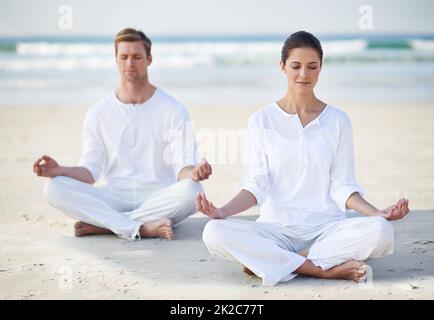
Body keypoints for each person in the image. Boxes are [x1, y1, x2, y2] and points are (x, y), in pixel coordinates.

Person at [196, 31, 409, 286]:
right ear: (282, 67)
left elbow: (343, 186)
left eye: (312, 67)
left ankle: (283, 262)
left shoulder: (338, 121)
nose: (303, 75)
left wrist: (377, 212)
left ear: (321, 68)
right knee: (214, 231)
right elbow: (256, 185)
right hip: (276, 230)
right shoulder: (261, 120)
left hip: (327, 229)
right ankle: (320, 268)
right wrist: (222, 211)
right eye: (296, 66)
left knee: (381, 230)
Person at [33, 28, 212, 241]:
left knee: (193, 191)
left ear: (149, 59)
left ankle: (108, 226)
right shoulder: (97, 113)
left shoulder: (174, 109)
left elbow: (183, 167)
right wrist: (59, 169)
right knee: (53, 188)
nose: (130, 63)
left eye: (137, 57)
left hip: (158, 196)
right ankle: (140, 227)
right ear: (116, 60)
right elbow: (91, 171)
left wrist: (194, 173)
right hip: (113, 196)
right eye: (124, 57)